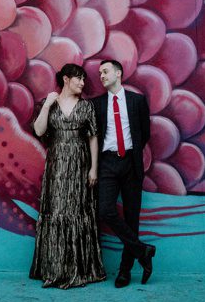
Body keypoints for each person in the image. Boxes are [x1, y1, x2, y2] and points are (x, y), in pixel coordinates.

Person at [29, 63, 105, 289]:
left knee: (77, 211)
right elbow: (40, 131)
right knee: (57, 212)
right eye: (79, 78)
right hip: (57, 167)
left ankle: (77, 269)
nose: (83, 83)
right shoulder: (48, 104)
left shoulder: (86, 106)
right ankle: (54, 269)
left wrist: (93, 168)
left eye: (83, 79)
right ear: (66, 79)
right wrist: (47, 105)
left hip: (80, 165)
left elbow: (93, 137)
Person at [92, 58, 157, 287]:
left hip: (131, 162)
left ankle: (124, 271)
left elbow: (144, 133)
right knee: (106, 210)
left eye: (106, 71)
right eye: (100, 73)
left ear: (118, 73)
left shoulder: (137, 101)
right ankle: (143, 251)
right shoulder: (97, 104)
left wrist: (131, 153)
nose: (101, 75)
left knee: (132, 218)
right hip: (107, 162)